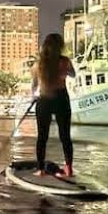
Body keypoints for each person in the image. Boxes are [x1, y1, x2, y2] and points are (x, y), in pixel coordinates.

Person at [32, 33, 75, 178]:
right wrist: (64, 71)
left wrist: (35, 95)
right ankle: (69, 169)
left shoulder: (38, 65)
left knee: (42, 137)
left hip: (44, 99)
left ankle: (40, 169)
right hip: (62, 98)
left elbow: (34, 86)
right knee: (65, 136)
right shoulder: (65, 62)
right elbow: (73, 74)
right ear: (60, 46)